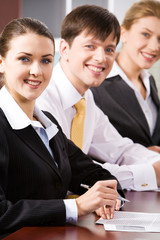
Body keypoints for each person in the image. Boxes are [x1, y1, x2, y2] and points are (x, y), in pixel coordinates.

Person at [0, 17, 124, 238]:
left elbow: (92, 172)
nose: (37, 71)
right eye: (24, 59)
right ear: (2, 62)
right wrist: (76, 207)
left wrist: (106, 196)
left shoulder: (46, 121)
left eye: (46, 61)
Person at [37, 4, 160, 192]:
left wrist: (155, 163)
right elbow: (68, 171)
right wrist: (149, 174)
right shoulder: (40, 97)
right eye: (90, 46)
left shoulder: (85, 100)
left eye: (109, 49)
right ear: (64, 48)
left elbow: (119, 149)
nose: (101, 58)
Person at [91, 0, 160, 153]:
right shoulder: (97, 83)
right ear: (124, 34)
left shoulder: (149, 81)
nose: (155, 46)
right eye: (145, 34)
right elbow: (86, 150)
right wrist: (142, 157)